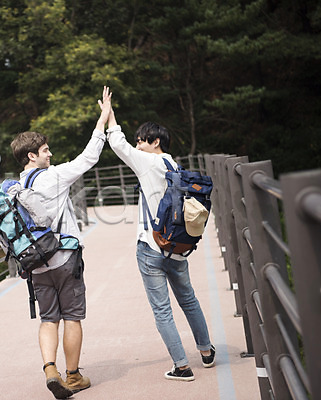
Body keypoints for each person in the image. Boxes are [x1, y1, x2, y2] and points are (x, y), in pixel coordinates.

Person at [10, 86, 112, 398]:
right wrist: (103, 119)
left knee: (48, 320)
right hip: (65, 258)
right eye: (45, 150)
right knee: (72, 318)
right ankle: (73, 376)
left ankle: (50, 370)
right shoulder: (54, 177)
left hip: (35, 264)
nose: (50, 154)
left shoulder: (13, 188)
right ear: (32, 155)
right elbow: (89, 157)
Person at [105, 109, 216, 381]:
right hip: (177, 248)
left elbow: (118, 144)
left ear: (156, 142)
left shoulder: (148, 162)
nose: (137, 146)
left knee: (162, 310)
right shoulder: (174, 166)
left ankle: (182, 366)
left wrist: (109, 115)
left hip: (150, 248)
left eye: (141, 140)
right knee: (189, 300)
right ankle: (206, 351)